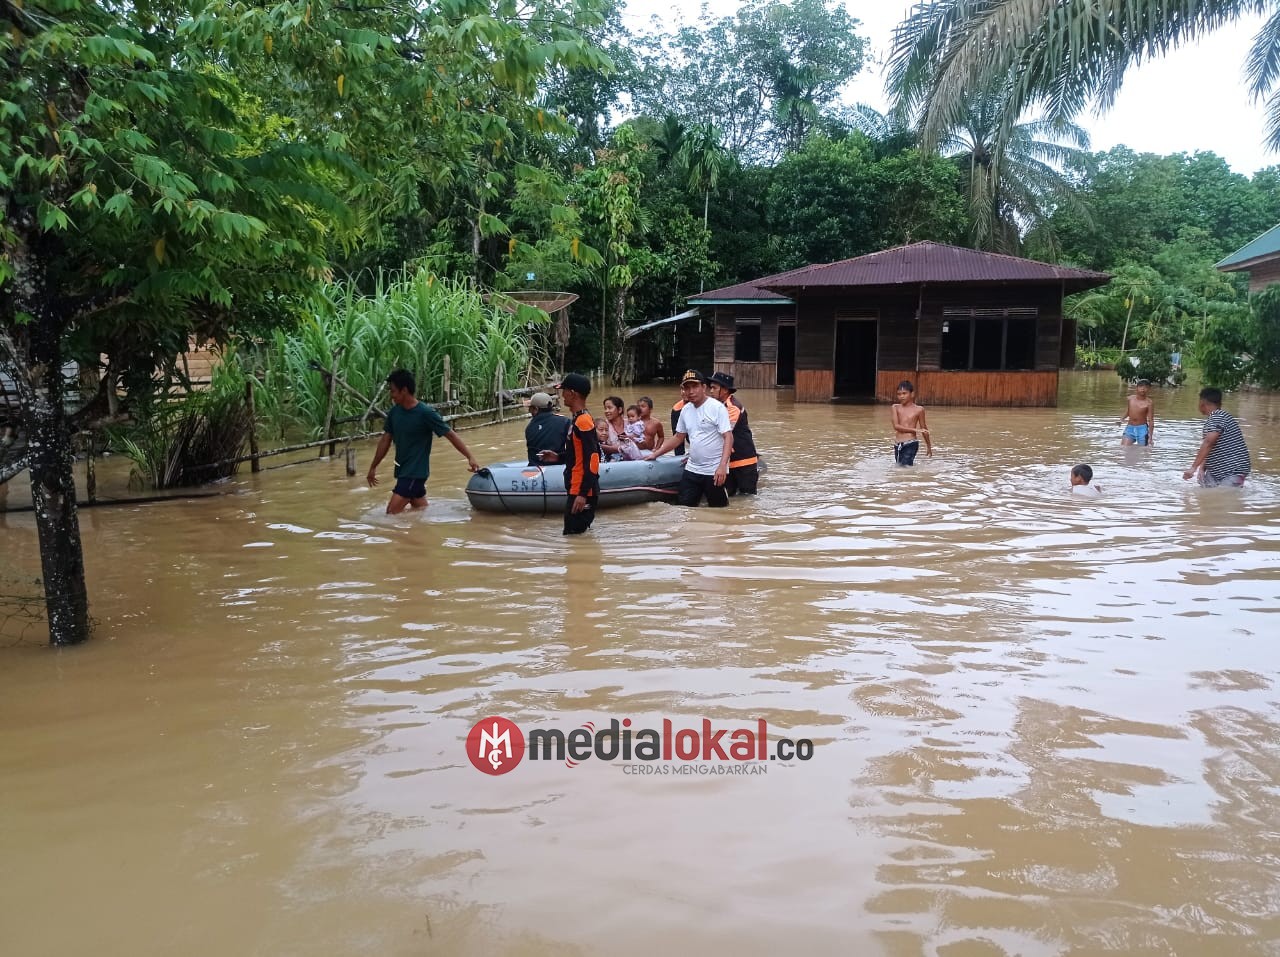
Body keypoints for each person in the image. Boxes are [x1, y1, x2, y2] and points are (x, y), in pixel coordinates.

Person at [366, 368, 480, 513]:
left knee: (390, 515)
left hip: (414, 473)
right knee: (420, 511)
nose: (391, 395)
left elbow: (450, 434)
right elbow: (385, 441)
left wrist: (470, 457)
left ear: (404, 390)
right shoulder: (394, 413)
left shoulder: (425, 413)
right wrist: (373, 466)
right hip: (403, 471)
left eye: (393, 391)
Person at [644, 370, 732, 507]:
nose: (690, 391)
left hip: (714, 471)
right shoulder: (685, 410)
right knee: (683, 509)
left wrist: (722, 467)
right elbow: (678, 437)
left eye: (694, 386)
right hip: (692, 469)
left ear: (703, 388)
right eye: (687, 387)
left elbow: (728, 437)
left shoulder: (717, 408)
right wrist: (655, 454)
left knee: (719, 511)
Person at [536, 373, 600, 534]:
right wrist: (558, 457)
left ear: (573, 393)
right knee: (574, 536)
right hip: (576, 488)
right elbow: (579, 455)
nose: (562, 395)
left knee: (573, 537)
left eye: (563, 390)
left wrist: (583, 494)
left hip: (581, 490)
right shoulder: (577, 419)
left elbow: (593, 459)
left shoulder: (583, 421)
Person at [1184, 387, 1251, 487]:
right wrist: (1202, 468)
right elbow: (1211, 447)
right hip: (1218, 470)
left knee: (1225, 498)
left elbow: (1208, 443)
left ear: (1202, 403)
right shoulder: (1219, 417)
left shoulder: (1217, 416)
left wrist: (1193, 468)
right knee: (1207, 497)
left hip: (1232, 470)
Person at [705, 371, 759, 495]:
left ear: (724, 390)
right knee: (731, 498)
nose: (711, 391)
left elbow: (721, 433)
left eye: (714, 388)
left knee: (747, 498)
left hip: (743, 461)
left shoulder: (732, 407)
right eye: (710, 388)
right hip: (730, 461)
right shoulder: (718, 406)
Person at [890, 380, 932, 466]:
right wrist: (915, 429)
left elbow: (924, 429)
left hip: (911, 443)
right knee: (899, 467)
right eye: (899, 394)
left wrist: (929, 446)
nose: (901, 396)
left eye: (904, 393)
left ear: (912, 394)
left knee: (904, 469)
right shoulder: (895, 407)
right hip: (897, 444)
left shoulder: (919, 409)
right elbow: (896, 426)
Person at [525, 392, 570, 466]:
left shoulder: (530, 427)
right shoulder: (565, 422)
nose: (529, 411)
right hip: (557, 467)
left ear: (536, 409)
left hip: (535, 468)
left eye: (530, 408)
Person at [602, 395, 643, 461]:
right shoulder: (603, 425)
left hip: (632, 458)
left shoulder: (632, 423)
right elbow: (599, 446)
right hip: (613, 460)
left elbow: (643, 442)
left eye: (609, 408)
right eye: (605, 408)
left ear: (620, 410)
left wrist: (631, 438)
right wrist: (619, 449)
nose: (606, 411)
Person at [1120, 379, 1155, 446]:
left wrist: (1150, 437)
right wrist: (1121, 419)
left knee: (1143, 451)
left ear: (1149, 389)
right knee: (1124, 448)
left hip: (1142, 429)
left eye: (1146, 387)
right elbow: (1128, 411)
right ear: (1137, 388)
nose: (1143, 389)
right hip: (1130, 428)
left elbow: (1151, 420)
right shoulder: (1130, 399)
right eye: (1141, 386)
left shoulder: (1149, 403)